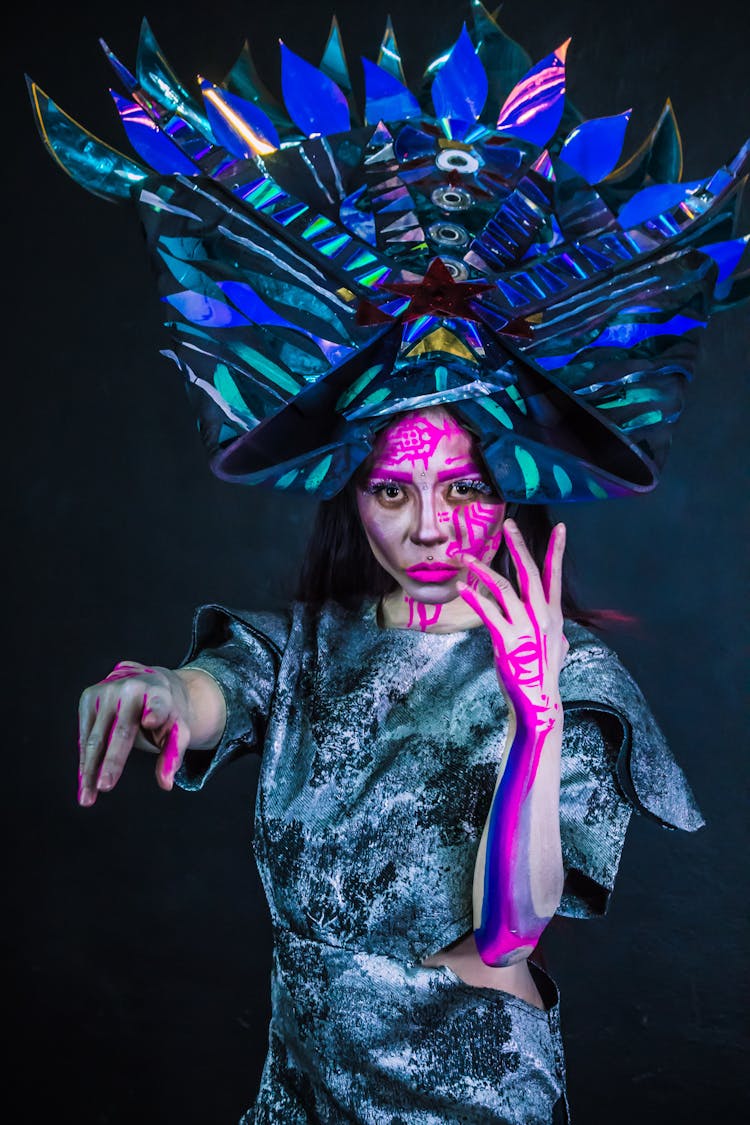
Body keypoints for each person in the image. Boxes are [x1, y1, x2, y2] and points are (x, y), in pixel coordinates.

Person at [30, 4, 746, 1121]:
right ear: (351, 495)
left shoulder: (578, 679)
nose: (425, 528)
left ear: (507, 489)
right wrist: (161, 688)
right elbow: (219, 693)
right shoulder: (311, 644)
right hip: (298, 1091)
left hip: (464, 1098)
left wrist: (538, 715)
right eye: (392, 489)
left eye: (460, 487)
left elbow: (514, 930)